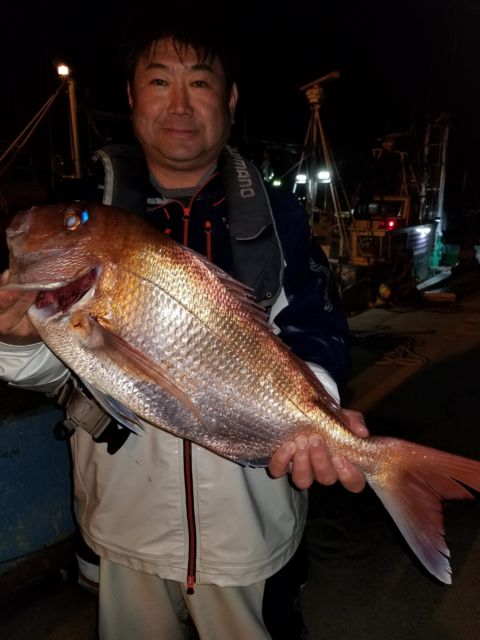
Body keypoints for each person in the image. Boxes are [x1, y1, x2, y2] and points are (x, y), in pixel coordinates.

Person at [0, 20, 368, 640]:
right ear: (131, 96)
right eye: (158, 81)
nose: (178, 104)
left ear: (229, 100)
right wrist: (14, 342)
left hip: (250, 524)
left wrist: (317, 411)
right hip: (125, 523)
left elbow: (316, 323)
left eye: (199, 83)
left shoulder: (275, 217)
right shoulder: (88, 213)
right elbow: (67, 366)